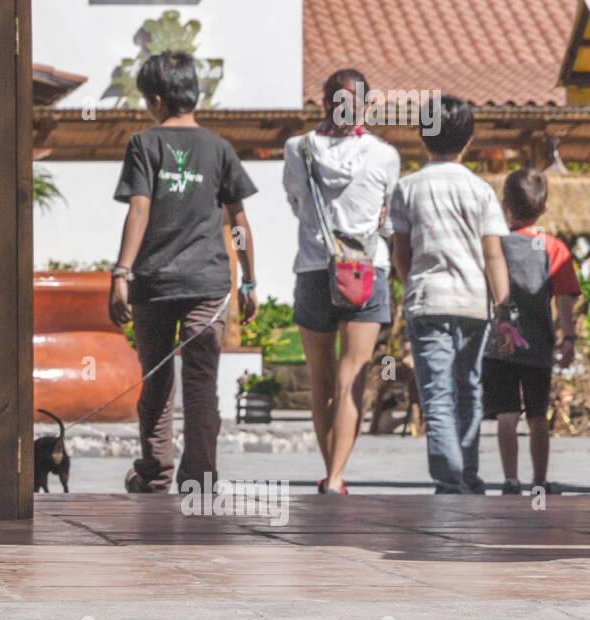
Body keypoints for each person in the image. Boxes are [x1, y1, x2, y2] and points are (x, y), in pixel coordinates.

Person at [108, 50, 259, 494]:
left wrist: (121, 272)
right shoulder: (219, 149)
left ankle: (154, 474)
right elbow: (239, 222)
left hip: (152, 282)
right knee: (201, 384)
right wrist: (248, 277)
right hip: (208, 284)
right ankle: (201, 478)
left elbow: (139, 208)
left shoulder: (144, 143)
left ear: (155, 99)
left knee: (156, 380)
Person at [283, 69, 401, 494]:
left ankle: (328, 468)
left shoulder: (296, 148)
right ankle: (335, 478)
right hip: (366, 272)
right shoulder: (385, 155)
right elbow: (388, 222)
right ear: (366, 106)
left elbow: (296, 204)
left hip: (315, 268)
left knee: (321, 376)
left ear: (323, 102)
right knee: (353, 376)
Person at [389, 96, 514, 494]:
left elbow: (400, 253)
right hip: (474, 303)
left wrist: (412, 284)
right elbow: (493, 254)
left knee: (437, 396)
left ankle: (450, 480)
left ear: (423, 136)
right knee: (468, 390)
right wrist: (504, 305)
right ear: (469, 140)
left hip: (427, 301)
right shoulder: (480, 190)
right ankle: (468, 474)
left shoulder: (407, 188)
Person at [482, 168, 580, 495]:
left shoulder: (495, 246)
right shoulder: (554, 249)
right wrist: (568, 338)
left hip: (498, 343)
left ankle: (511, 480)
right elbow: (565, 299)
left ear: (504, 205)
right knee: (538, 414)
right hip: (538, 344)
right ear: (546, 206)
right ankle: (539, 482)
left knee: (507, 414)